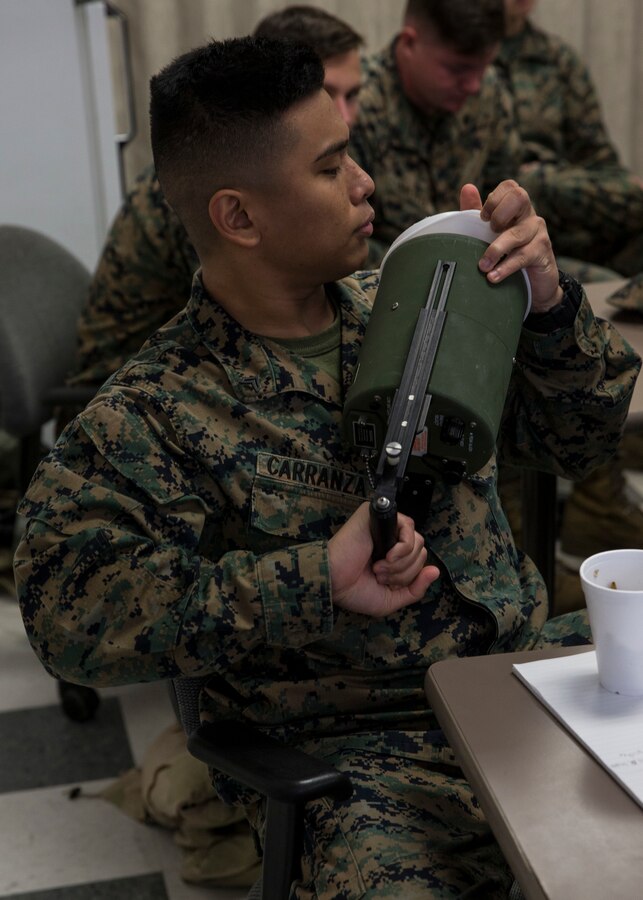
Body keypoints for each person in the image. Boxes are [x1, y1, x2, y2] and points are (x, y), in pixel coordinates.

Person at [14, 35, 640, 898]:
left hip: (525, 682)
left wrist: (547, 303)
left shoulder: (414, 311)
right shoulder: (155, 413)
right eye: (331, 166)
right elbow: (68, 621)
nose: (364, 184)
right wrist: (312, 579)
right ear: (238, 216)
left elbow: (580, 441)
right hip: (372, 760)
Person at [69, 5, 364, 388]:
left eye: (352, 95)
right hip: (148, 384)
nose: (345, 113)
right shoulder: (201, 187)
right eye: (329, 169)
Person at [496, 0, 643, 581]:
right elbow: (500, 183)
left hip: (567, 227)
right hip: (510, 234)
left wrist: (563, 189)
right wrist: (544, 186)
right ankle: (530, 518)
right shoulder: (457, 58)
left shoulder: (554, 60)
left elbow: (603, 169)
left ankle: (596, 501)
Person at [348, 0, 522, 267]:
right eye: (457, 69)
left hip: (483, 265)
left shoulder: (490, 94)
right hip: (389, 277)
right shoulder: (354, 103)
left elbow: (508, 194)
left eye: (484, 66)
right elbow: (343, 238)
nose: (474, 85)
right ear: (409, 43)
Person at [496, 0, 643, 277]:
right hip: (510, 228)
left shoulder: (558, 59)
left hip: (568, 213)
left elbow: (601, 164)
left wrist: (551, 182)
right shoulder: (463, 60)